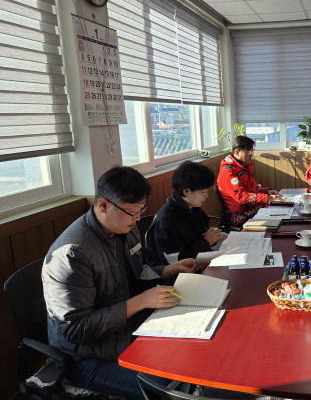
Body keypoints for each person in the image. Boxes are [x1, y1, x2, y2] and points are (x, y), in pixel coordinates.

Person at [42, 166, 206, 399]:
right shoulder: (72, 255)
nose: (137, 219)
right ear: (103, 205)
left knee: (190, 350)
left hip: (125, 329)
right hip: (84, 357)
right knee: (164, 386)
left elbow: (137, 274)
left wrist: (170, 269)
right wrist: (140, 302)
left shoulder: (124, 229)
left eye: (141, 210)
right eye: (131, 212)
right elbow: (75, 329)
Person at [146, 161, 222, 265]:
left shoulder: (192, 207)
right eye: (202, 192)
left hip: (198, 260)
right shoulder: (167, 220)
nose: (206, 195)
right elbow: (175, 261)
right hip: (178, 271)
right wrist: (206, 242)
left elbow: (200, 235)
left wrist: (212, 237)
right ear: (186, 192)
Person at [216, 135, 282, 226]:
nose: (251, 154)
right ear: (237, 152)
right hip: (239, 217)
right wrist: (266, 198)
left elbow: (254, 189)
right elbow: (240, 197)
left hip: (252, 209)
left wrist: (267, 191)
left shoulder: (243, 167)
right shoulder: (228, 172)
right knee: (276, 218)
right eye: (248, 151)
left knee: (279, 211)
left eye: (252, 151)